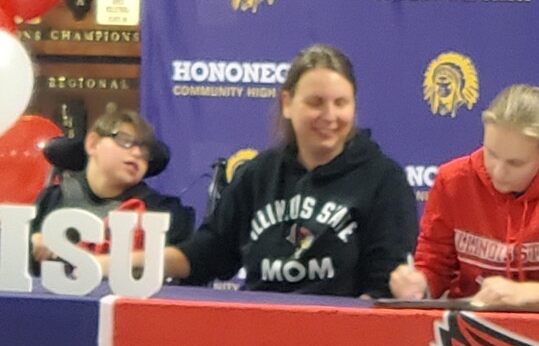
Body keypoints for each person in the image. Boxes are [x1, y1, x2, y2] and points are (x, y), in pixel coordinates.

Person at [115, 43, 417, 297]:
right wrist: (114, 264)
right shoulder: (257, 175)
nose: (330, 115)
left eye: (341, 103)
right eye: (315, 102)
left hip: (341, 342)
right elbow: (207, 253)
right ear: (287, 103)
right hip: (258, 333)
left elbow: (383, 288)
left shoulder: (383, 180)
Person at [390, 84, 539, 306]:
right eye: (491, 153)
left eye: (515, 163)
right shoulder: (452, 181)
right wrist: (419, 284)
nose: (498, 171)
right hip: (467, 328)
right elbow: (434, 264)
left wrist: (524, 293)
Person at [31, 104, 194, 263]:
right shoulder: (52, 199)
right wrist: (31, 243)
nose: (137, 153)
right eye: (125, 141)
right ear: (93, 143)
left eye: (145, 150)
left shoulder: (164, 213)